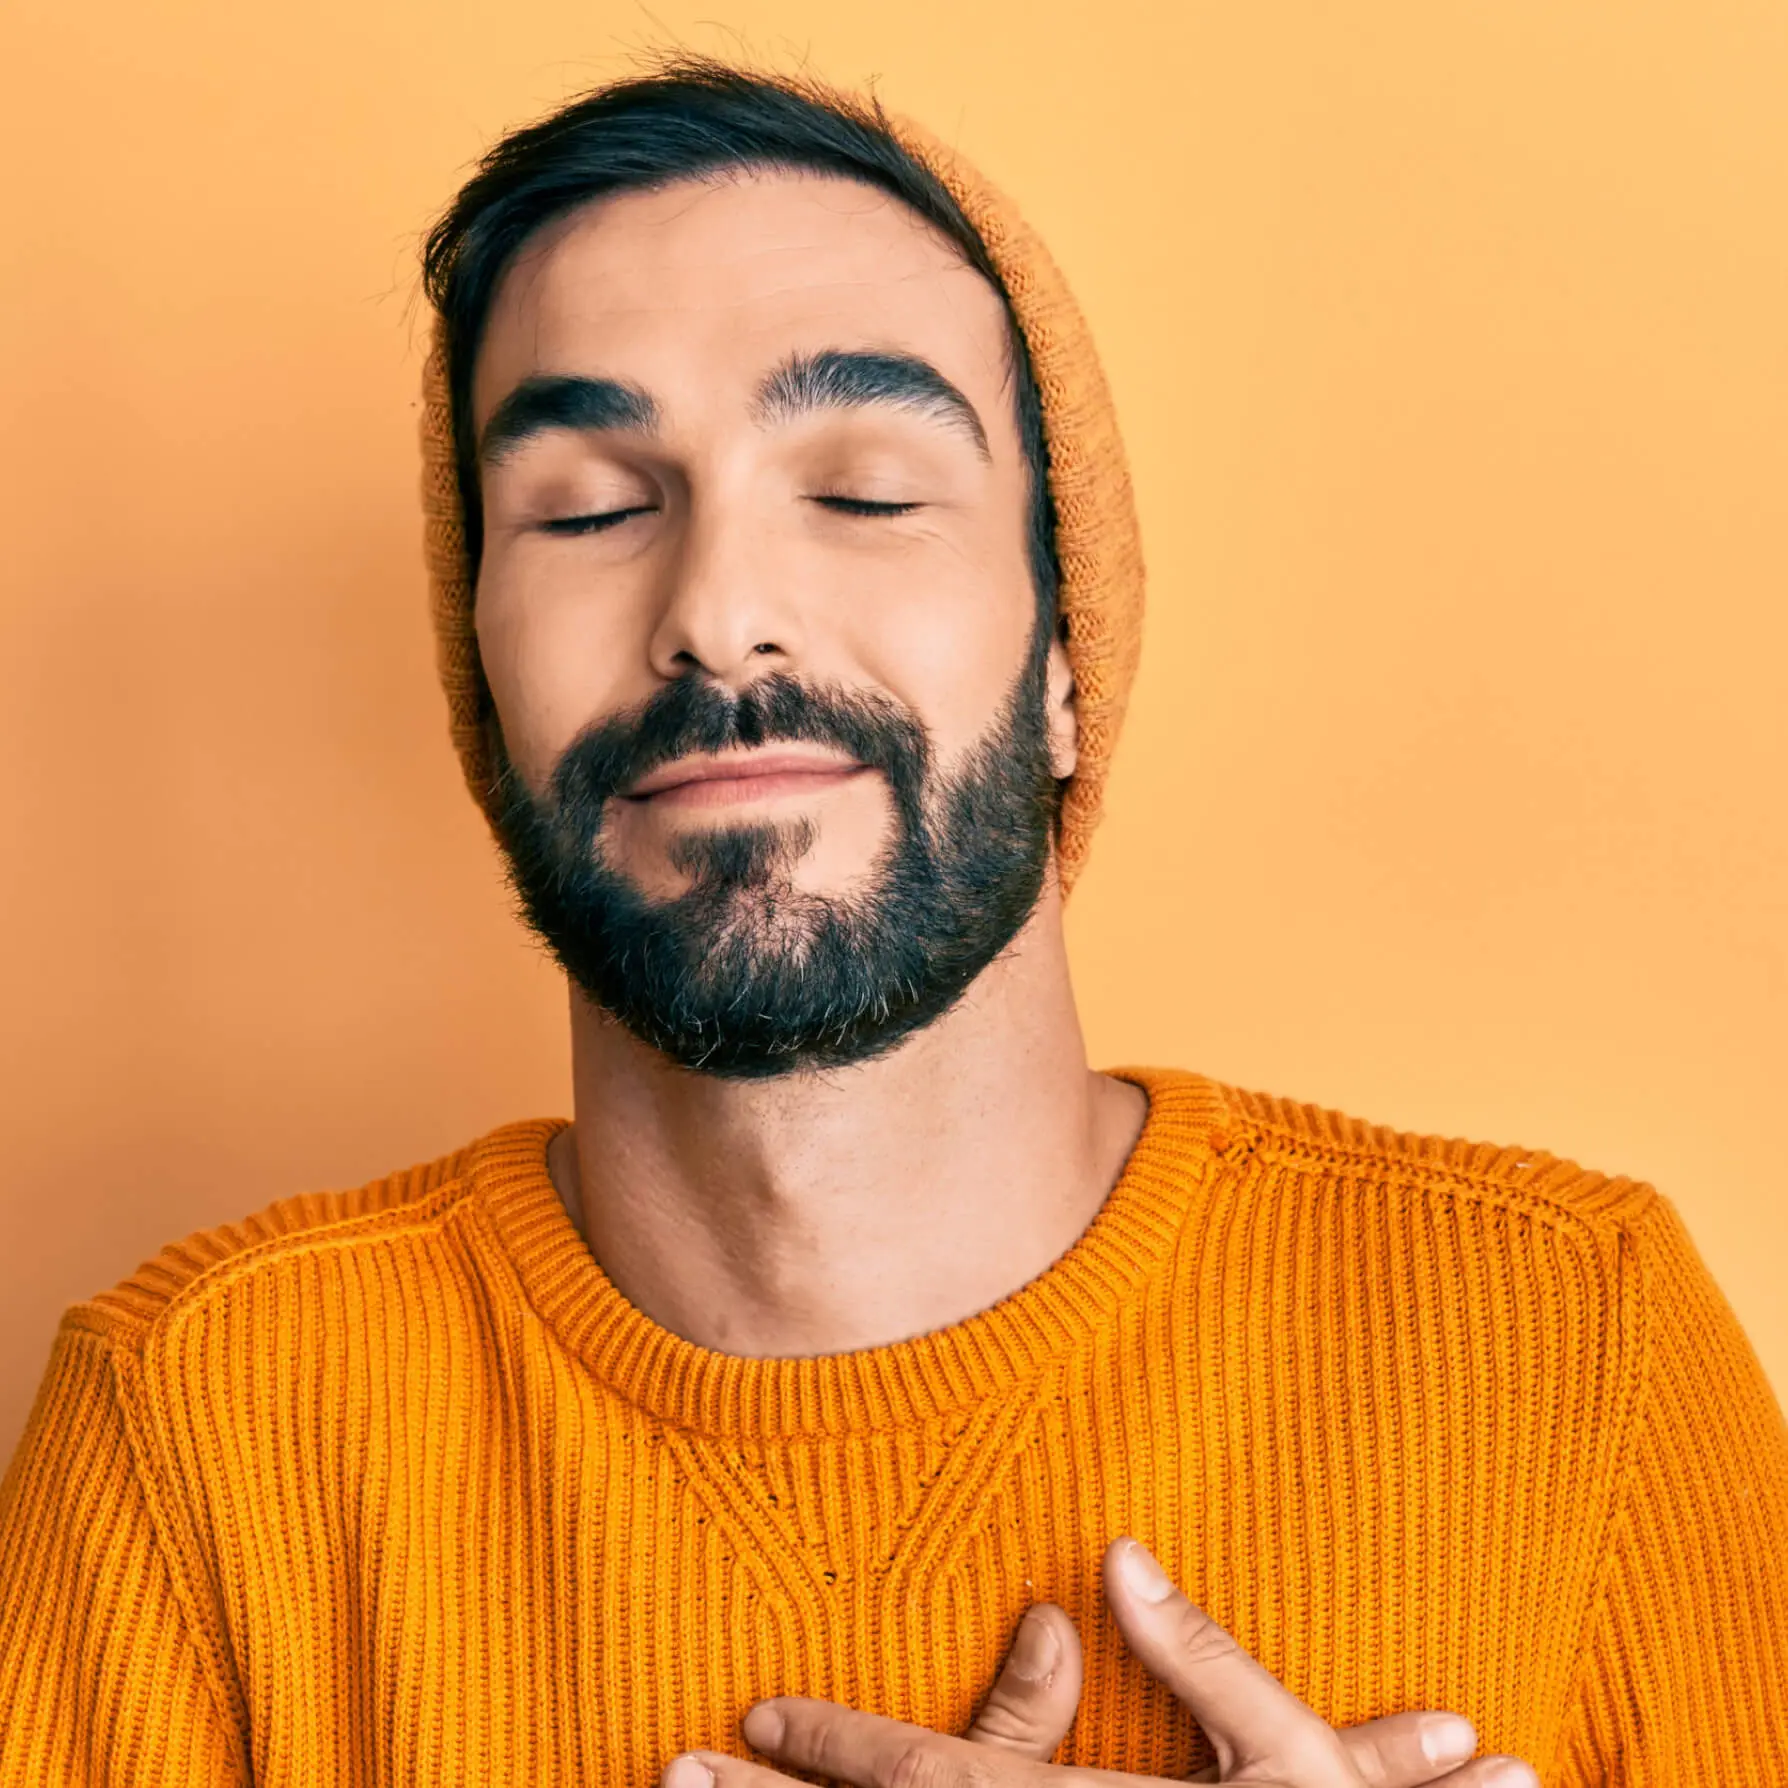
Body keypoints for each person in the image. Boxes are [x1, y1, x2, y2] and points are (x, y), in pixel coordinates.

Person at [1, 56, 1783, 1788]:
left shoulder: (1577, 1348)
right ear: (481, 678)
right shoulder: (196, 1430)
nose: (720, 612)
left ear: (1070, 655)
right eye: (592, 508)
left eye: (862, 491)